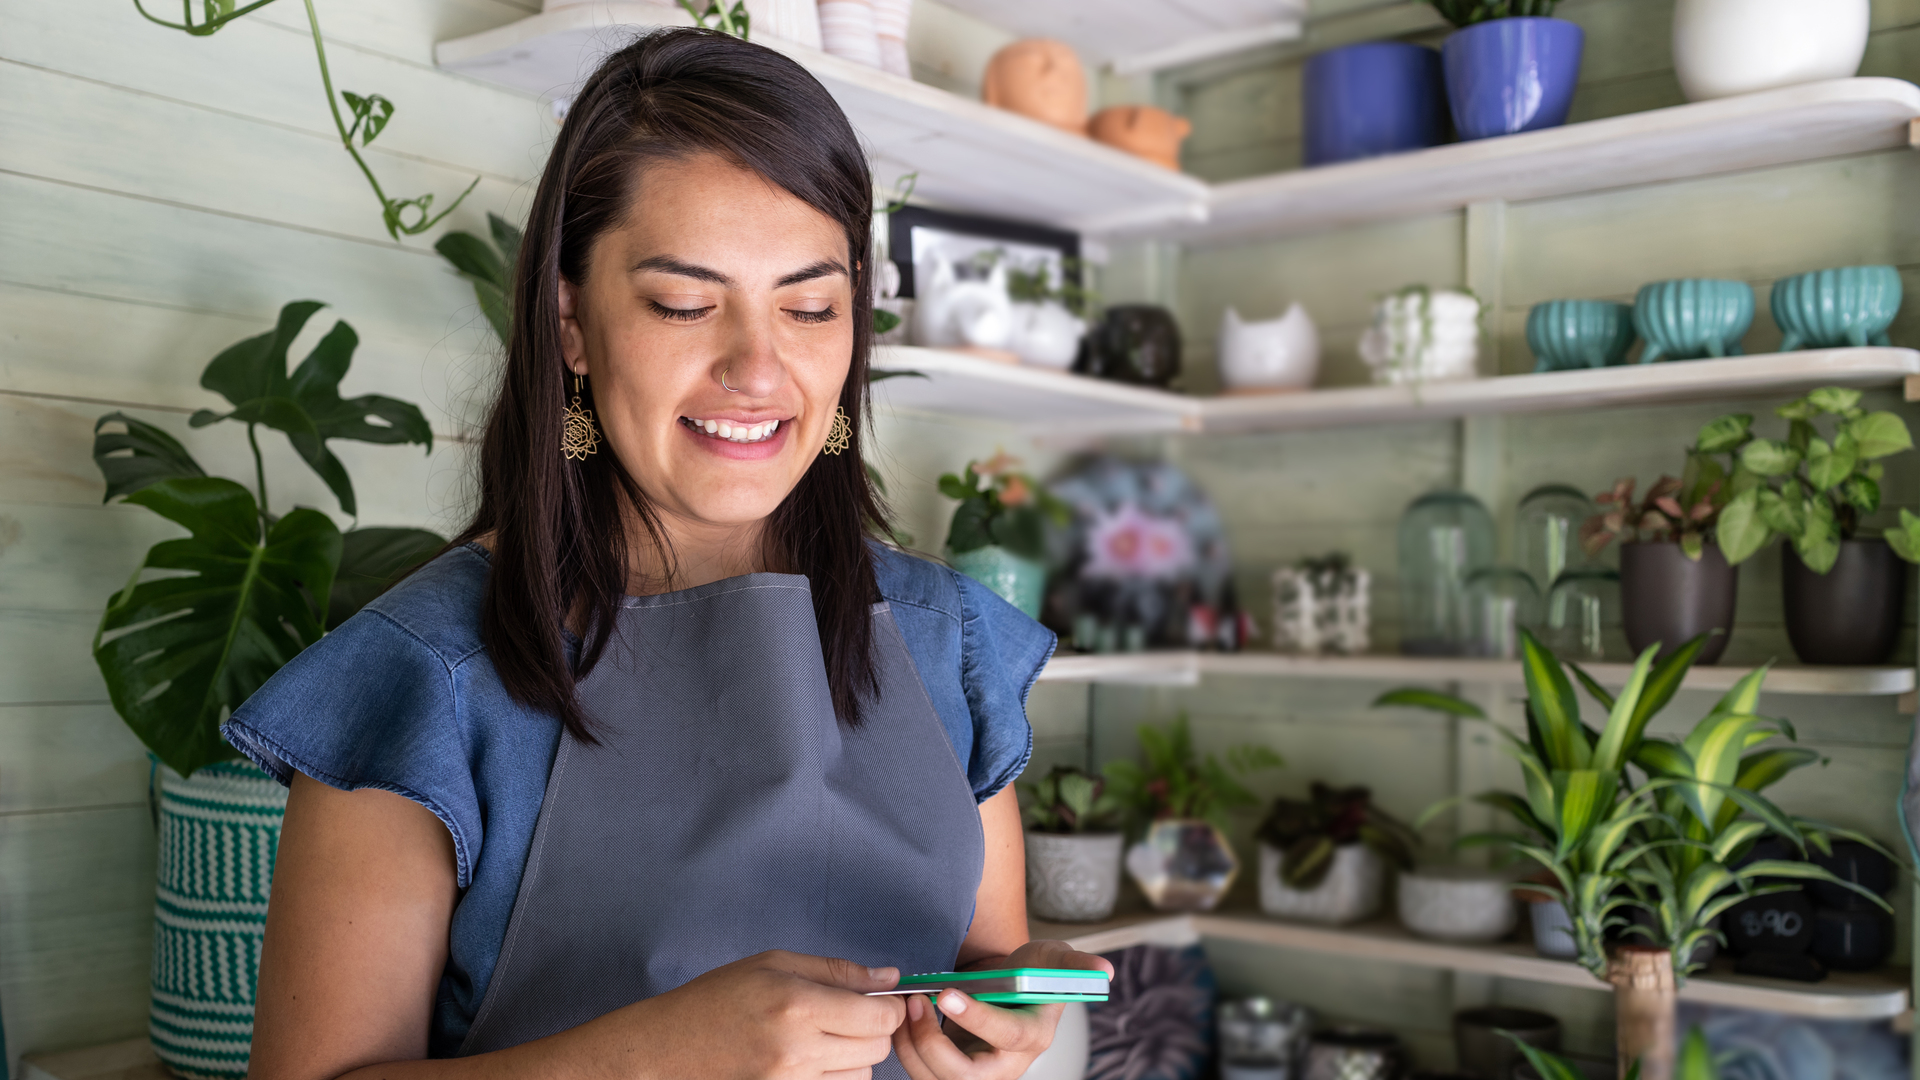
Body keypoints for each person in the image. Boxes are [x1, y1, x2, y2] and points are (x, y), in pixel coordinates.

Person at [224, 27, 1109, 1080]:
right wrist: (652, 1056)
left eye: (811, 306)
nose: (757, 365)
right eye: (685, 303)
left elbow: (980, 970)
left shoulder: (946, 642)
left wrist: (1002, 1017)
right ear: (572, 326)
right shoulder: (428, 676)